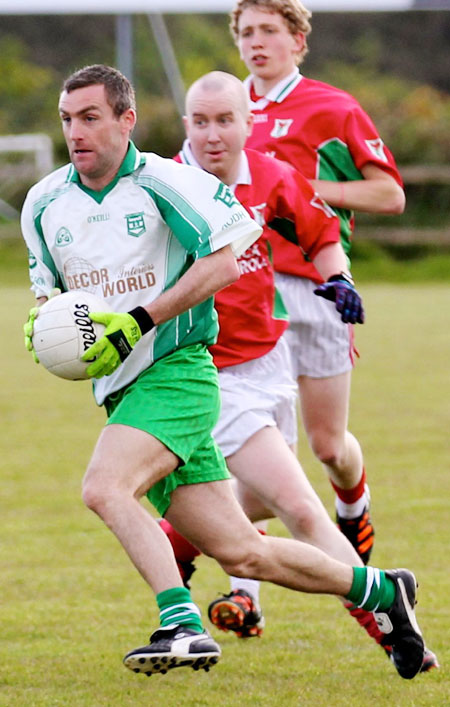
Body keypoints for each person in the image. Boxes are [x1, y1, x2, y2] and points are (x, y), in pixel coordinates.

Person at [22, 64, 426, 681]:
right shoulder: (45, 203)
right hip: (122, 389)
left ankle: (180, 623)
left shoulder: (166, 183)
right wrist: (47, 326)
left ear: (126, 120)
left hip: (178, 373)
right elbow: (53, 297)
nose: (76, 132)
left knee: (104, 487)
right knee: (243, 551)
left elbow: (226, 262)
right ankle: (380, 591)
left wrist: (139, 320)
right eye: (68, 119)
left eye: (91, 117)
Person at [158, 70, 437, 674]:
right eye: (200, 122)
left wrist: (339, 279)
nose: (212, 134)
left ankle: (175, 542)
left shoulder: (272, 175)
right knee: (302, 509)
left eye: (225, 120)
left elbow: (321, 234)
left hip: (269, 363)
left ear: (248, 123)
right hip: (212, 374)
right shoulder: (162, 186)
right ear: (186, 127)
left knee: (249, 504)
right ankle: (388, 619)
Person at [228, 0, 410, 570]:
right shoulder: (229, 113)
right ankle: (243, 593)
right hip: (250, 294)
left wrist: (302, 191)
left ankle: (353, 506)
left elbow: (389, 194)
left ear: (298, 42)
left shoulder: (331, 106)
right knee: (259, 451)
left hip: (321, 287)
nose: (256, 42)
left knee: (329, 447)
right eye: (246, 33)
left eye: (268, 31)